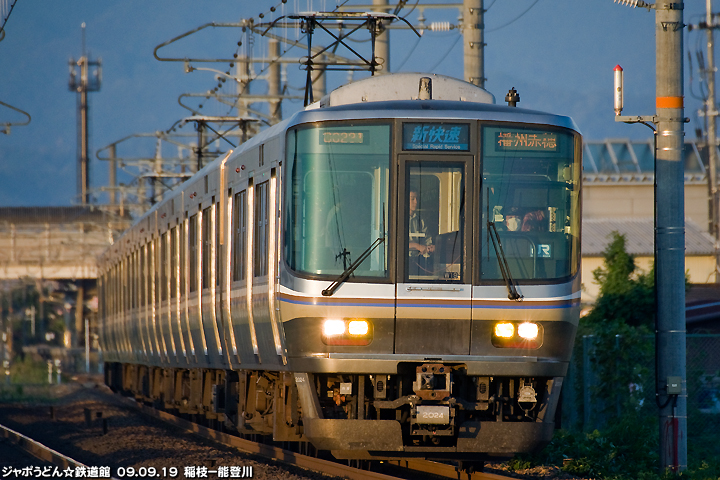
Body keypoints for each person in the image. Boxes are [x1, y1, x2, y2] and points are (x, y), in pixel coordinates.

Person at [408, 190, 434, 256]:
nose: (416, 202)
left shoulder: (420, 220)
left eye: (417, 199)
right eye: (412, 199)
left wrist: (429, 247)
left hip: (418, 258)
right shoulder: (400, 220)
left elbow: (427, 237)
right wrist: (417, 246)